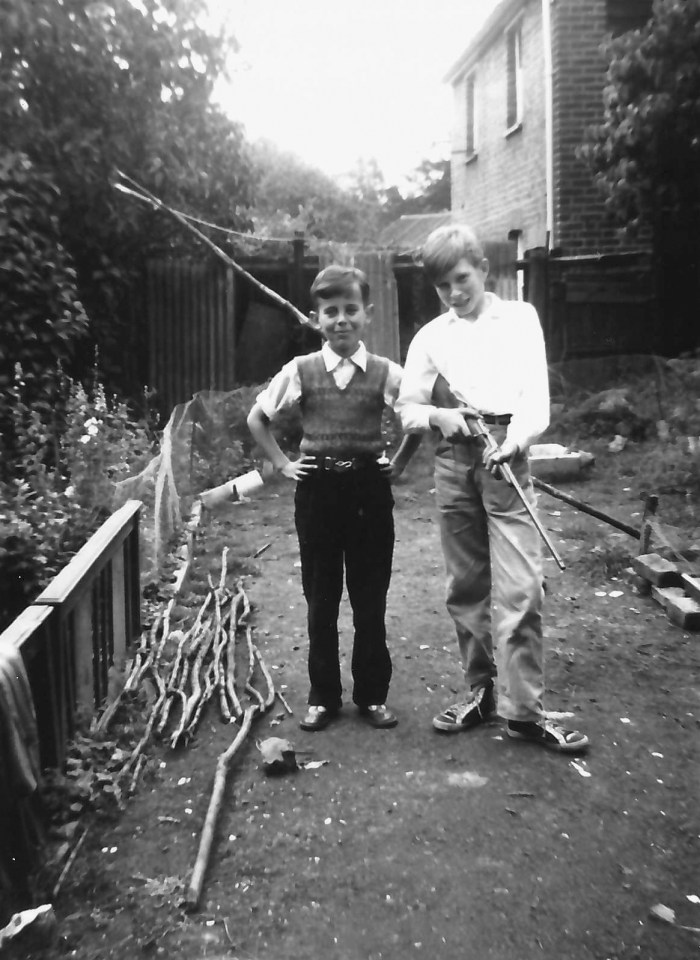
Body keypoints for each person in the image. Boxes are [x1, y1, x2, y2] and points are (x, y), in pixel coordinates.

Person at [396, 225, 588, 753]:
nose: (454, 293)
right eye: (442, 287)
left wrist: (516, 440)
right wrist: (439, 414)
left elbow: (536, 396)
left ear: (482, 268)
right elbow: (408, 407)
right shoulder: (431, 336)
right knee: (467, 586)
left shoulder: (520, 318)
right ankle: (480, 694)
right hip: (454, 461)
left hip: (506, 453)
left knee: (522, 587)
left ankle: (524, 712)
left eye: (460, 279)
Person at [247, 265, 420, 732]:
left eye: (350, 310)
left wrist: (400, 462)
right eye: (330, 312)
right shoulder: (301, 370)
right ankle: (323, 696)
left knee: (370, 598)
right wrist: (283, 465)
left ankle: (371, 696)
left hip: (368, 490)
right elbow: (257, 418)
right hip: (318, 492)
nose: (341, 320)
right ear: (316, 318)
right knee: (320, 598)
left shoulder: (386, 372)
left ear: (366, 314)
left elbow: (418, 417)